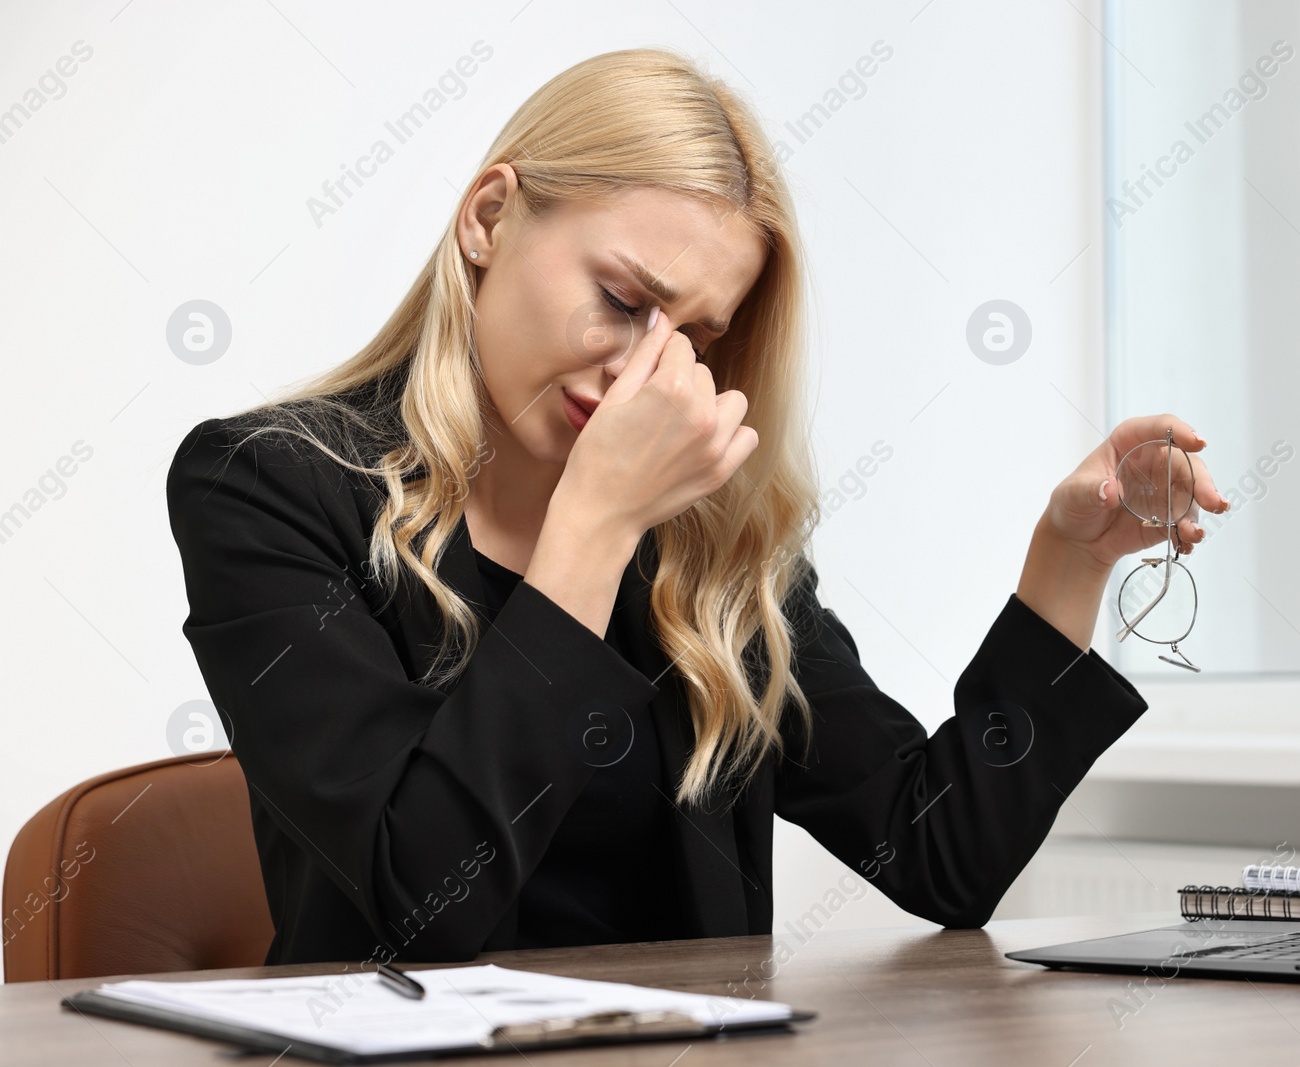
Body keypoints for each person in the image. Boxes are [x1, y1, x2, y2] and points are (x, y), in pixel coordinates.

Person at [166, 47, 1225, 967]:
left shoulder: (704, 532)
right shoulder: (267, 488)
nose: (648, 370)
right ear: (489, 218)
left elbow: (940, 854)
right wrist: (593, 527)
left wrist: (1069, 562)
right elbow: (421, 903)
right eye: (623, 301)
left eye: (698, 337)